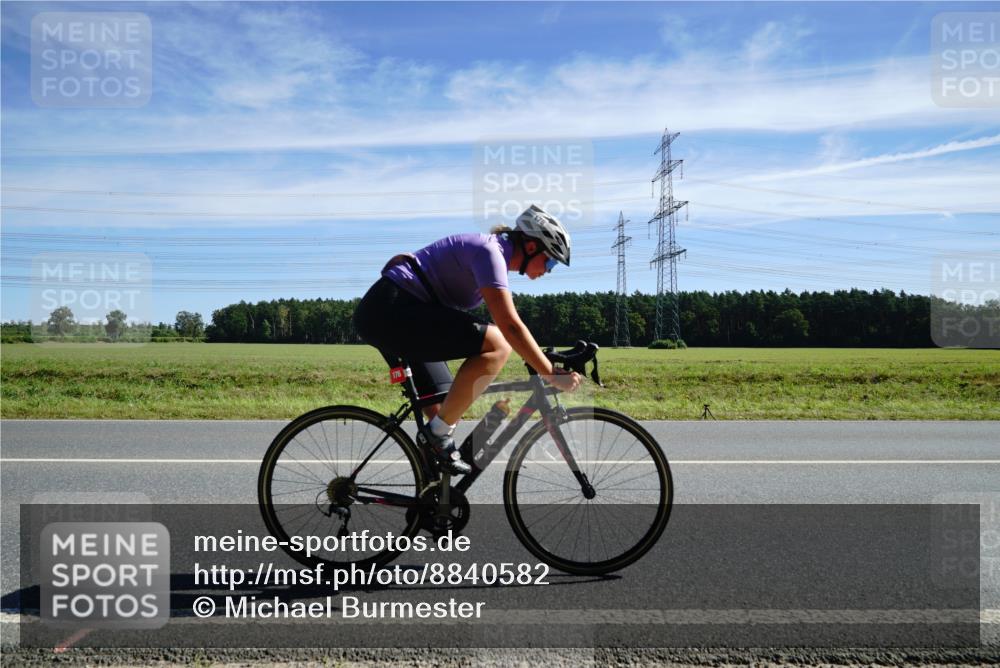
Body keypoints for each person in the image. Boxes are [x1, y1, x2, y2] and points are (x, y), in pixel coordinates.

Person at [353, 204, 583, 474]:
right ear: (531, 247)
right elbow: (510, 326)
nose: (549, 270)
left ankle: (431, 494)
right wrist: (549, 373)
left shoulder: (493, 256)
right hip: (390, 311)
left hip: (403, 313)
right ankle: (435, 439)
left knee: (448, 409)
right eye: (551, 261)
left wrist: (544, 362)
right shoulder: (490, 253)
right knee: (498, 345)